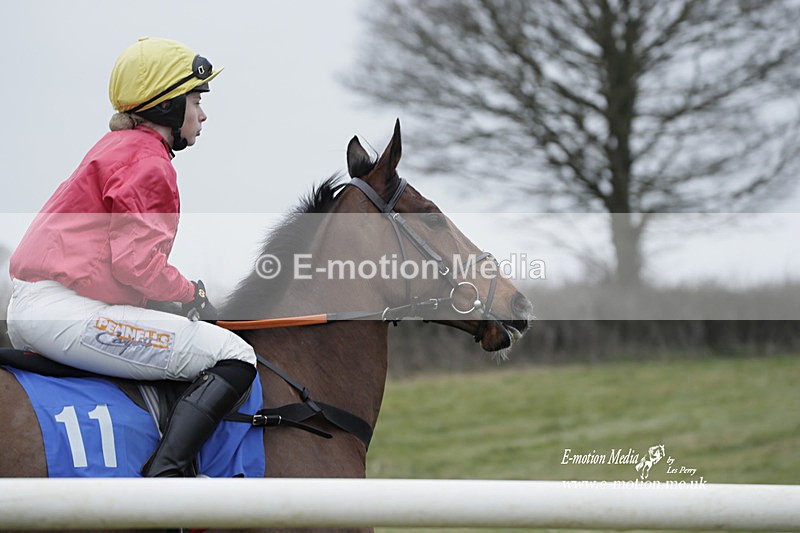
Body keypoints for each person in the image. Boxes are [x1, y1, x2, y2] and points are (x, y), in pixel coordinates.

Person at [5, 37, 258, 477]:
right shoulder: (149, 161)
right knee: (234, 355)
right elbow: (136, 266)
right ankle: (167, 478)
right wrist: (191, 292)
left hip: (42, 306)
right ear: (167, 107)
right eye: (196, 100)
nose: (202, 114)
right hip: (66, 312)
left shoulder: (115, 148)